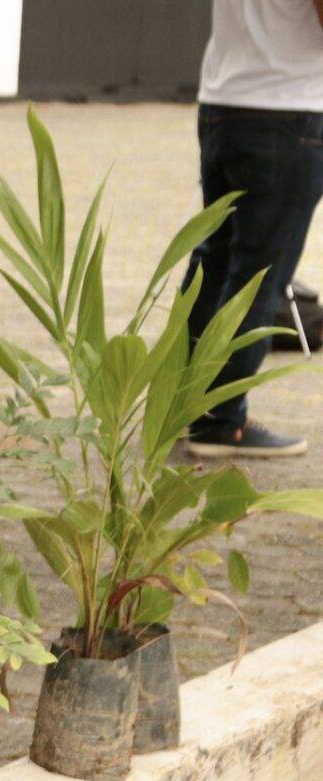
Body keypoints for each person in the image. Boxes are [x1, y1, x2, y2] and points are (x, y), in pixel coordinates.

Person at [181, 0, 323, 459]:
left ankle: (187, 406)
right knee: (259, 277)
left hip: (224, 101)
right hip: (288, 108)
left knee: (215, 261)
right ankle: (222, 422)